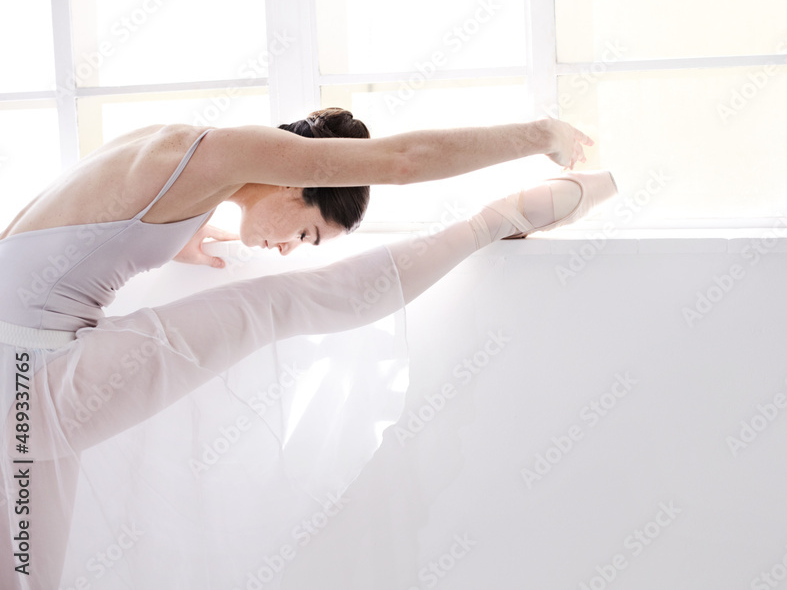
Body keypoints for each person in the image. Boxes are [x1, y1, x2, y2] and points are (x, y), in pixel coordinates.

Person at [0, 108, 617, 589]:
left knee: (24, 573)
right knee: (280, 302)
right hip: (31, 381)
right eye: (306, 231)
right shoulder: (220, 154)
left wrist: (176, 238)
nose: (289, 246)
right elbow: (404, 160)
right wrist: (543, 131)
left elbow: (62, 232)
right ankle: (492, 222)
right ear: (299, 183)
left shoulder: (174, 151)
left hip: (23, 377)